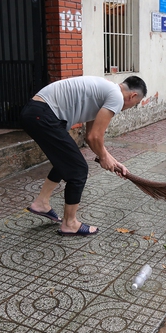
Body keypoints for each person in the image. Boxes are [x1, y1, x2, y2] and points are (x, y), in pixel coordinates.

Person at [21, 75, 147, 236]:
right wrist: (103, 158)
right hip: (43, 114)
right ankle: (70, 223)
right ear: (133, 96)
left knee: (65, 161)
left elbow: (91, 137)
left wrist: (114, 161)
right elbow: (95, 137)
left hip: (36, 112)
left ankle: (41, 203)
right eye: (134, 105)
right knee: (78, 169)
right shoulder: (116, 97)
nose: (128, 108)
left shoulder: (105, 91)